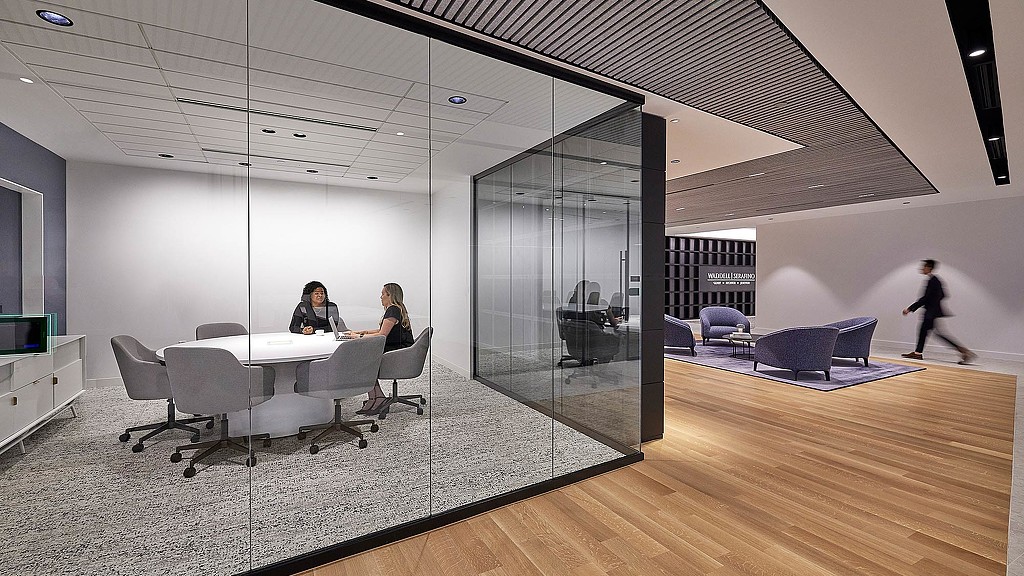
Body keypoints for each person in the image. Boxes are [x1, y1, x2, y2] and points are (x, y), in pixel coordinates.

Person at [346, 282, 415, 414]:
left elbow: (382, 335)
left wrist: (356, 336)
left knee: (363, 360)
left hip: (400, 352)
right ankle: (375, 397)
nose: (380, 297)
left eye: (383, 294)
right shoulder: (396, 309)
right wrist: (363, 332)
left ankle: (376, 397)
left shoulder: (393, 309)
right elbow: (382, 330)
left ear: (391, 295)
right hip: (399, 349)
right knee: (364, 359)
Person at [901, 259, 976, 364]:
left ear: (929, 268)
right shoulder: (936, 280)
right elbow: (943, 295)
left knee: (932, 333)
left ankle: (964, 351)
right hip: (932, 312)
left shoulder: (933, 281)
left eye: (924, 267)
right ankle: (918, 353)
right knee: (926, 332)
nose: (922, 269)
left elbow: (925, 298)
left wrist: (910, 308)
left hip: (931, 313)